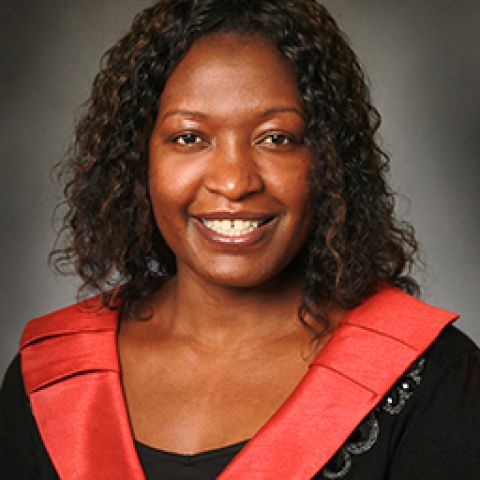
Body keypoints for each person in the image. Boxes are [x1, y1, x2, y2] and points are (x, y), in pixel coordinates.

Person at [1, 1, 479, 479]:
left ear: (328, 162)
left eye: (276, 138)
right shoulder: (51, 375)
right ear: (137, 161)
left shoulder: (433, 377)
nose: (233, 182)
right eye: (189, 138)